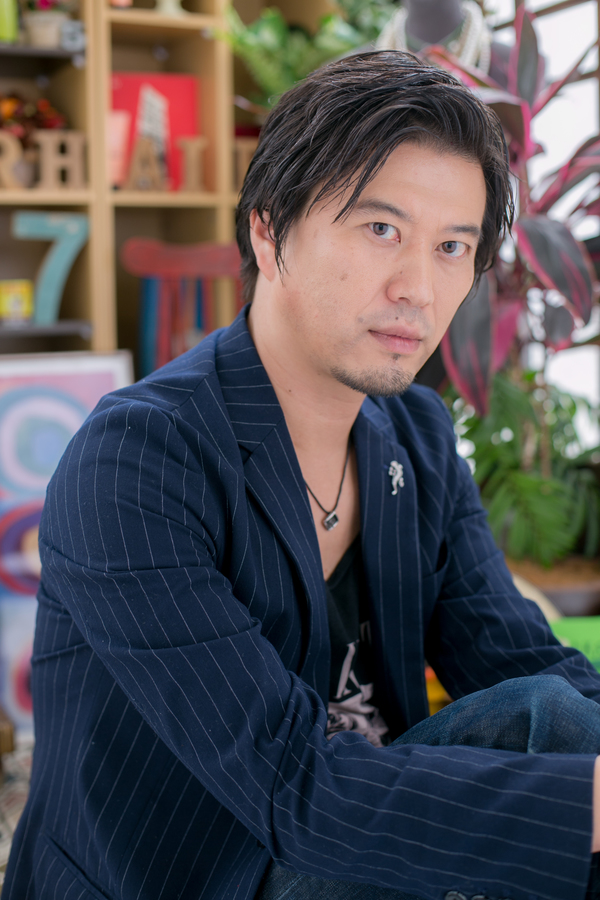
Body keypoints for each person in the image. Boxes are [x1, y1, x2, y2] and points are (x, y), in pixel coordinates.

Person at [5, 51, 600, 900]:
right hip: (198, 874)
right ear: (268, 230)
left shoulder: (418, 436)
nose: (419, 289)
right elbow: (292, 787)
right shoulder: (135, 458)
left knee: (549, 710)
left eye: (452, 247)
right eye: (381, 229)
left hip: (351, 850)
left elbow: (514, 656)